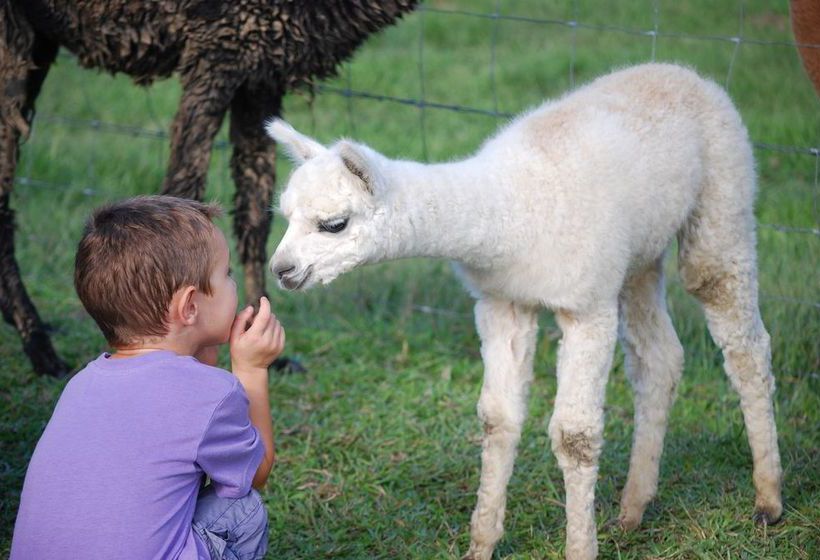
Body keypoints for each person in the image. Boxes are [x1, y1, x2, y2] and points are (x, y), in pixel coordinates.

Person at [11, 195, 285, 560]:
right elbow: (256, 472)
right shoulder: (211, 395)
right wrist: (252, 369)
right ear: (189, 306)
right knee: (244, 509)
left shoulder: (82, 384)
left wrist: (202, 345)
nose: (234, 286)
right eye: (227, 275)